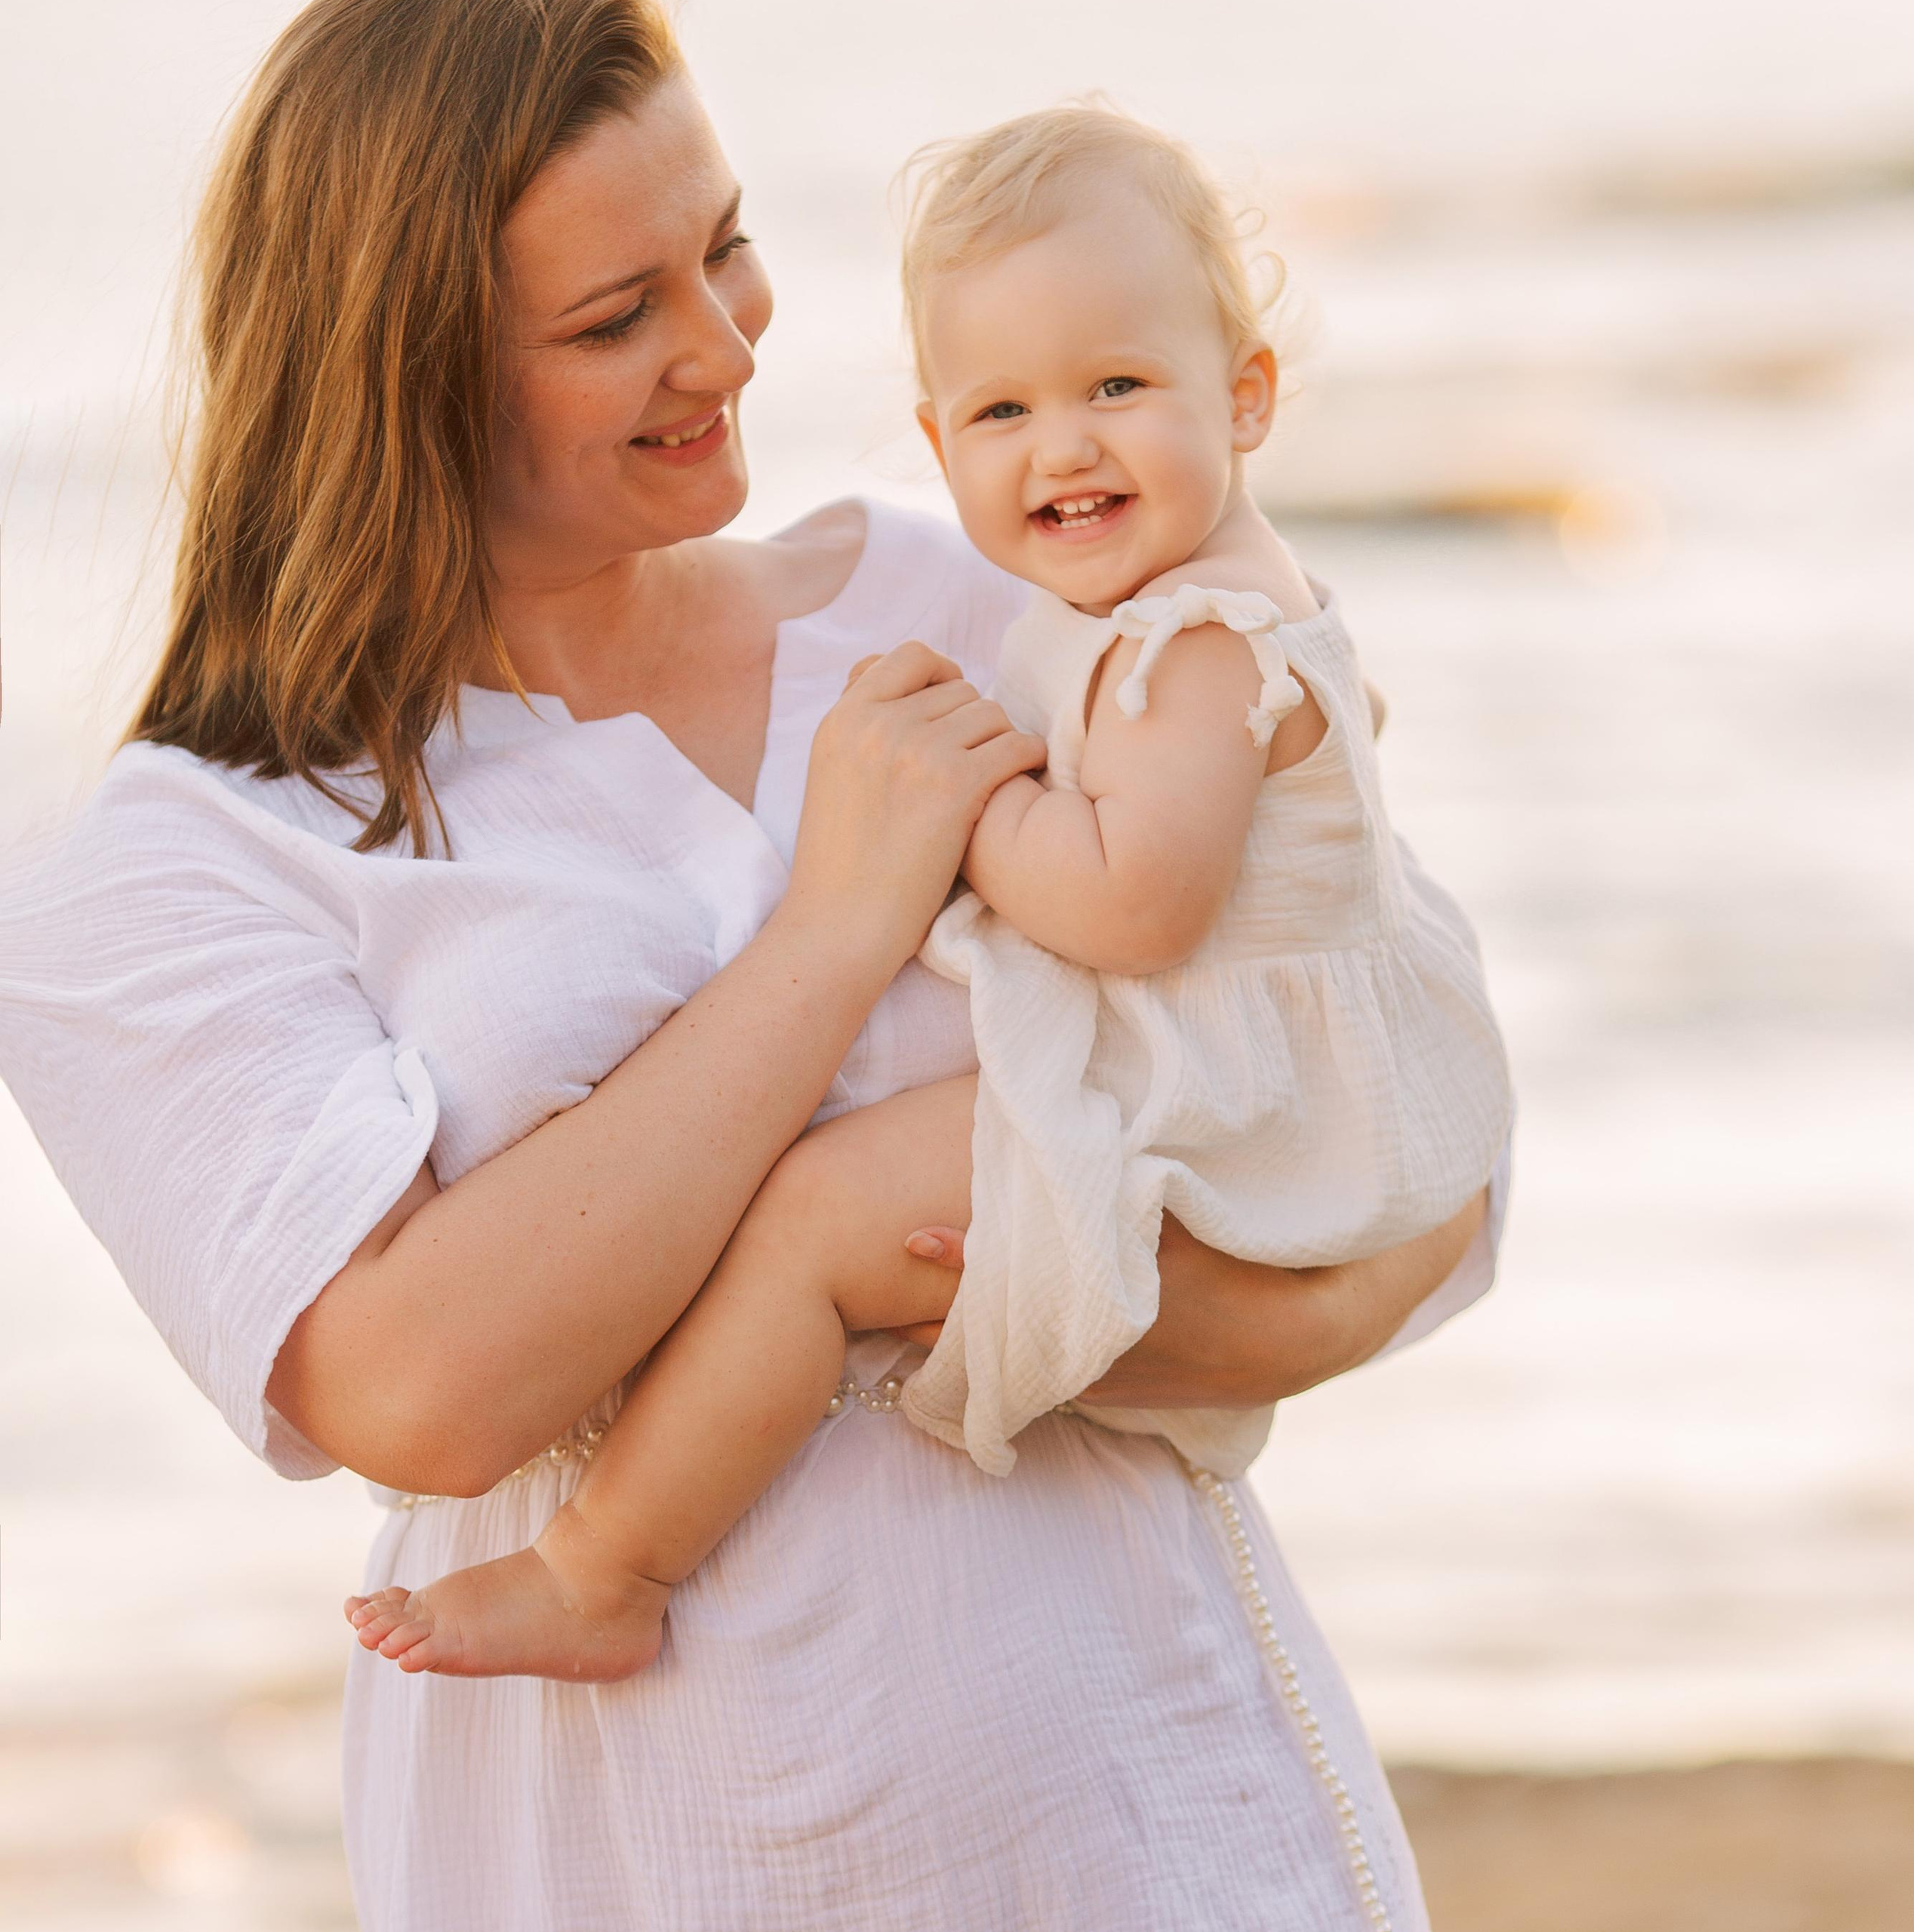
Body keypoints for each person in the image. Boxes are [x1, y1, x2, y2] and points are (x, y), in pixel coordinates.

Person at [0, 5, 1508, 1927]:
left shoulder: (974, 594)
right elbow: (421, 1386)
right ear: (402, 376)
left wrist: (983, 1280)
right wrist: (835, 931)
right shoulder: (179, 861)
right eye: (611, 318)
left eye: (722, 246)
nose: (723, 347)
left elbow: (1399, 1120)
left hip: (1163, 1808)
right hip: (647, 1855)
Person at [346, 105, 1512, 1723]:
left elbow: (1136, 903)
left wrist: (963, 816)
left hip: (1222, 1082)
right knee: (836, 1220)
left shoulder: (1195, 642)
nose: (1063, 449)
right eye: (1002, 410)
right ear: (933, 434)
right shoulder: (1157, 603)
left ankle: (605, 1569)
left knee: (818, 1225)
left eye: (1117, 387)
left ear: (1243, 394)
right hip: (1226, 1061)